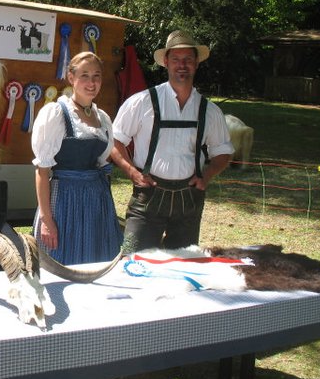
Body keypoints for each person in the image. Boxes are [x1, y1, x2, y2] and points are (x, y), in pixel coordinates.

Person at [111, 30, 234, 252]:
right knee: (134, 263)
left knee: (182, 268)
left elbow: (223, 152)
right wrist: (132, 172)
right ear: (166, 62)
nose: (182, 65)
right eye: (176, 59)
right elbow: (115, 141)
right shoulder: (142, 102)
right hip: (148, 199)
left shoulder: (210, 111)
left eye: (188, 59)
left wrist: (205, 176)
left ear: (196, 63)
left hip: (189, 201)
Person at [31, 51, 123, 264]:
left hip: (96, 203)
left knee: (95, 260)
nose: (91, 82)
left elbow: (101, 162)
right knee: (62, 261)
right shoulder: (56, 114)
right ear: (71, 78)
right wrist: (46, 220)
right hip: (64, 201)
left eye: (96, 76)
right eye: (84, 75)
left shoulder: (103, 118)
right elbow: (42, 171)